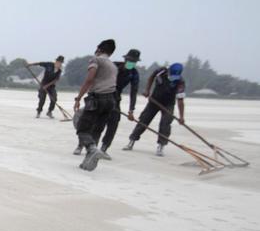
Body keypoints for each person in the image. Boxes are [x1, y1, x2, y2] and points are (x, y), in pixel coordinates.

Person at [84, 48, 141, 156]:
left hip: (116, 98)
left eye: (134, 62)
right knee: (97, 122)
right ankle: (90, 146)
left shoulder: (134, 74)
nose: (131, 63)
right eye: (130, 61)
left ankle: (104, 148)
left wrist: (131, 110)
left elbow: (133, 92)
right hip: (102, 94)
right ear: (125, 59)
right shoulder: (113, 67)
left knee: (113, 123)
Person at [73, 39, 117, 171]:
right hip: (110, 100)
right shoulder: (113, 66)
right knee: (96, 130)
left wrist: (79, 97)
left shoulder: (96, 60)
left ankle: (92, 149)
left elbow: (90, 79)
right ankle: (89, 162)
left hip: (97, 98)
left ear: (99, 49)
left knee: (82, 128)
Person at [124, 62, 186, 157]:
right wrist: (147, 90)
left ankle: (161, 146)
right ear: (168, 71)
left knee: (165, 123)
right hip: (154, 100)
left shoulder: (180, 81)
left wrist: (181, 117)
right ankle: (131, 141)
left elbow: (180, 100)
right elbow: (151, 77)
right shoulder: (161, 71)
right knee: (144, 120)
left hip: (168, 104)